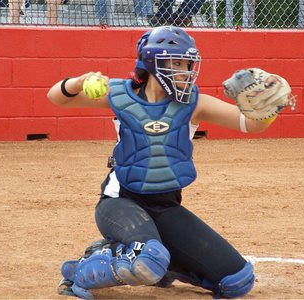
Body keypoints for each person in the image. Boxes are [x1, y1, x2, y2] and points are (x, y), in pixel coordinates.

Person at [47, 26, 283, 299]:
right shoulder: (121, 95)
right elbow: (56, 97)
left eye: (188, 64)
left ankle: (165, 265)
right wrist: (78, 81)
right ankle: (84, 268)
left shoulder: (195, 104)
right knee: (147, 259)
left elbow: (252, 125)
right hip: (121, 202)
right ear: (152, 62)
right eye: (177, 63)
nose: (185, 71)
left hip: (166, 206)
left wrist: (268, 108)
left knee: (236, 281)